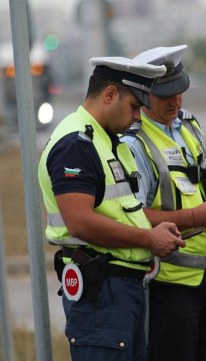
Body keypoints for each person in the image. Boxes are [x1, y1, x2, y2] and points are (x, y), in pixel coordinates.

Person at [38, 55, 186, 361]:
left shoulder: (107, 141)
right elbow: (79, 222)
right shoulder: (76, 144)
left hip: (120, 290)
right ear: (109, 95)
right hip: (101, 293)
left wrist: (154, 229)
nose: (138, 117)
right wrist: (148, 239)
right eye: (134, 106)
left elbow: (122, 210)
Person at [121, 45, 206, 361]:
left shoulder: (188, 123)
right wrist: (196, 216)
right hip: (168, 286)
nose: (176, 101)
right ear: (142, 94)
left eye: (180, 91)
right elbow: (132, 215)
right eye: (166, 95)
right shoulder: (134, 142)